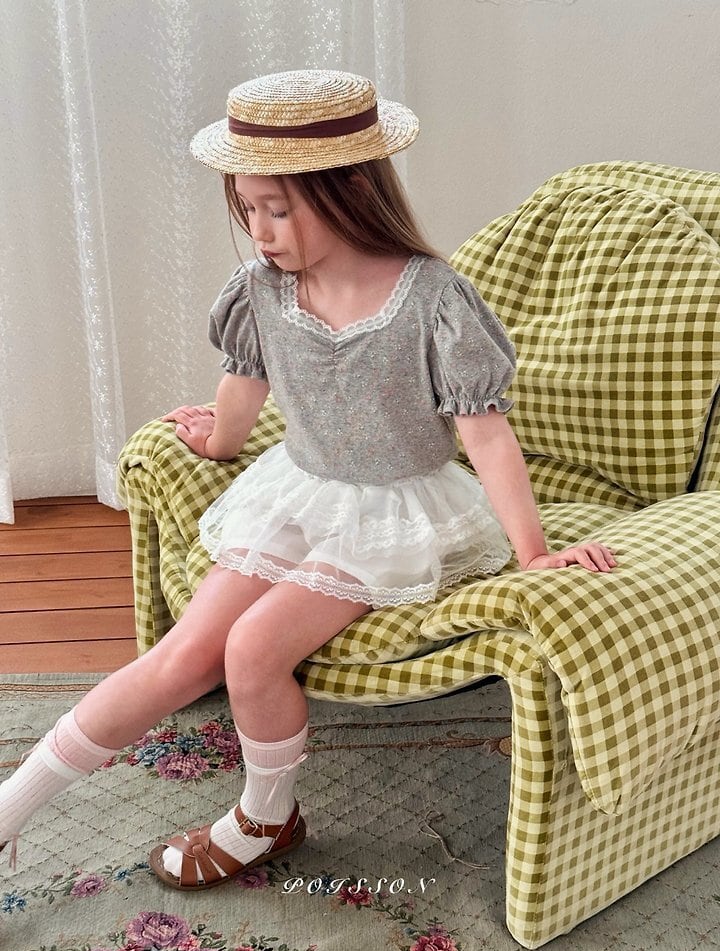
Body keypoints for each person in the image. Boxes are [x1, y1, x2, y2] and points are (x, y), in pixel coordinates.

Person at [0, 69, 616, 889]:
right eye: (247, 209)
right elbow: (242, 388)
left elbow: (487, 434)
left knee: (254, 648)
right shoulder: (261, 291)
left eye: (278, 210)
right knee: (187, 654)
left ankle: (267, 818)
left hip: (396, 513)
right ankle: (10, 811)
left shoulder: (431, 298)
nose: (259, 231)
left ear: (352, 189)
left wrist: (533, 553)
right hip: (298, 491)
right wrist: (217, 440)